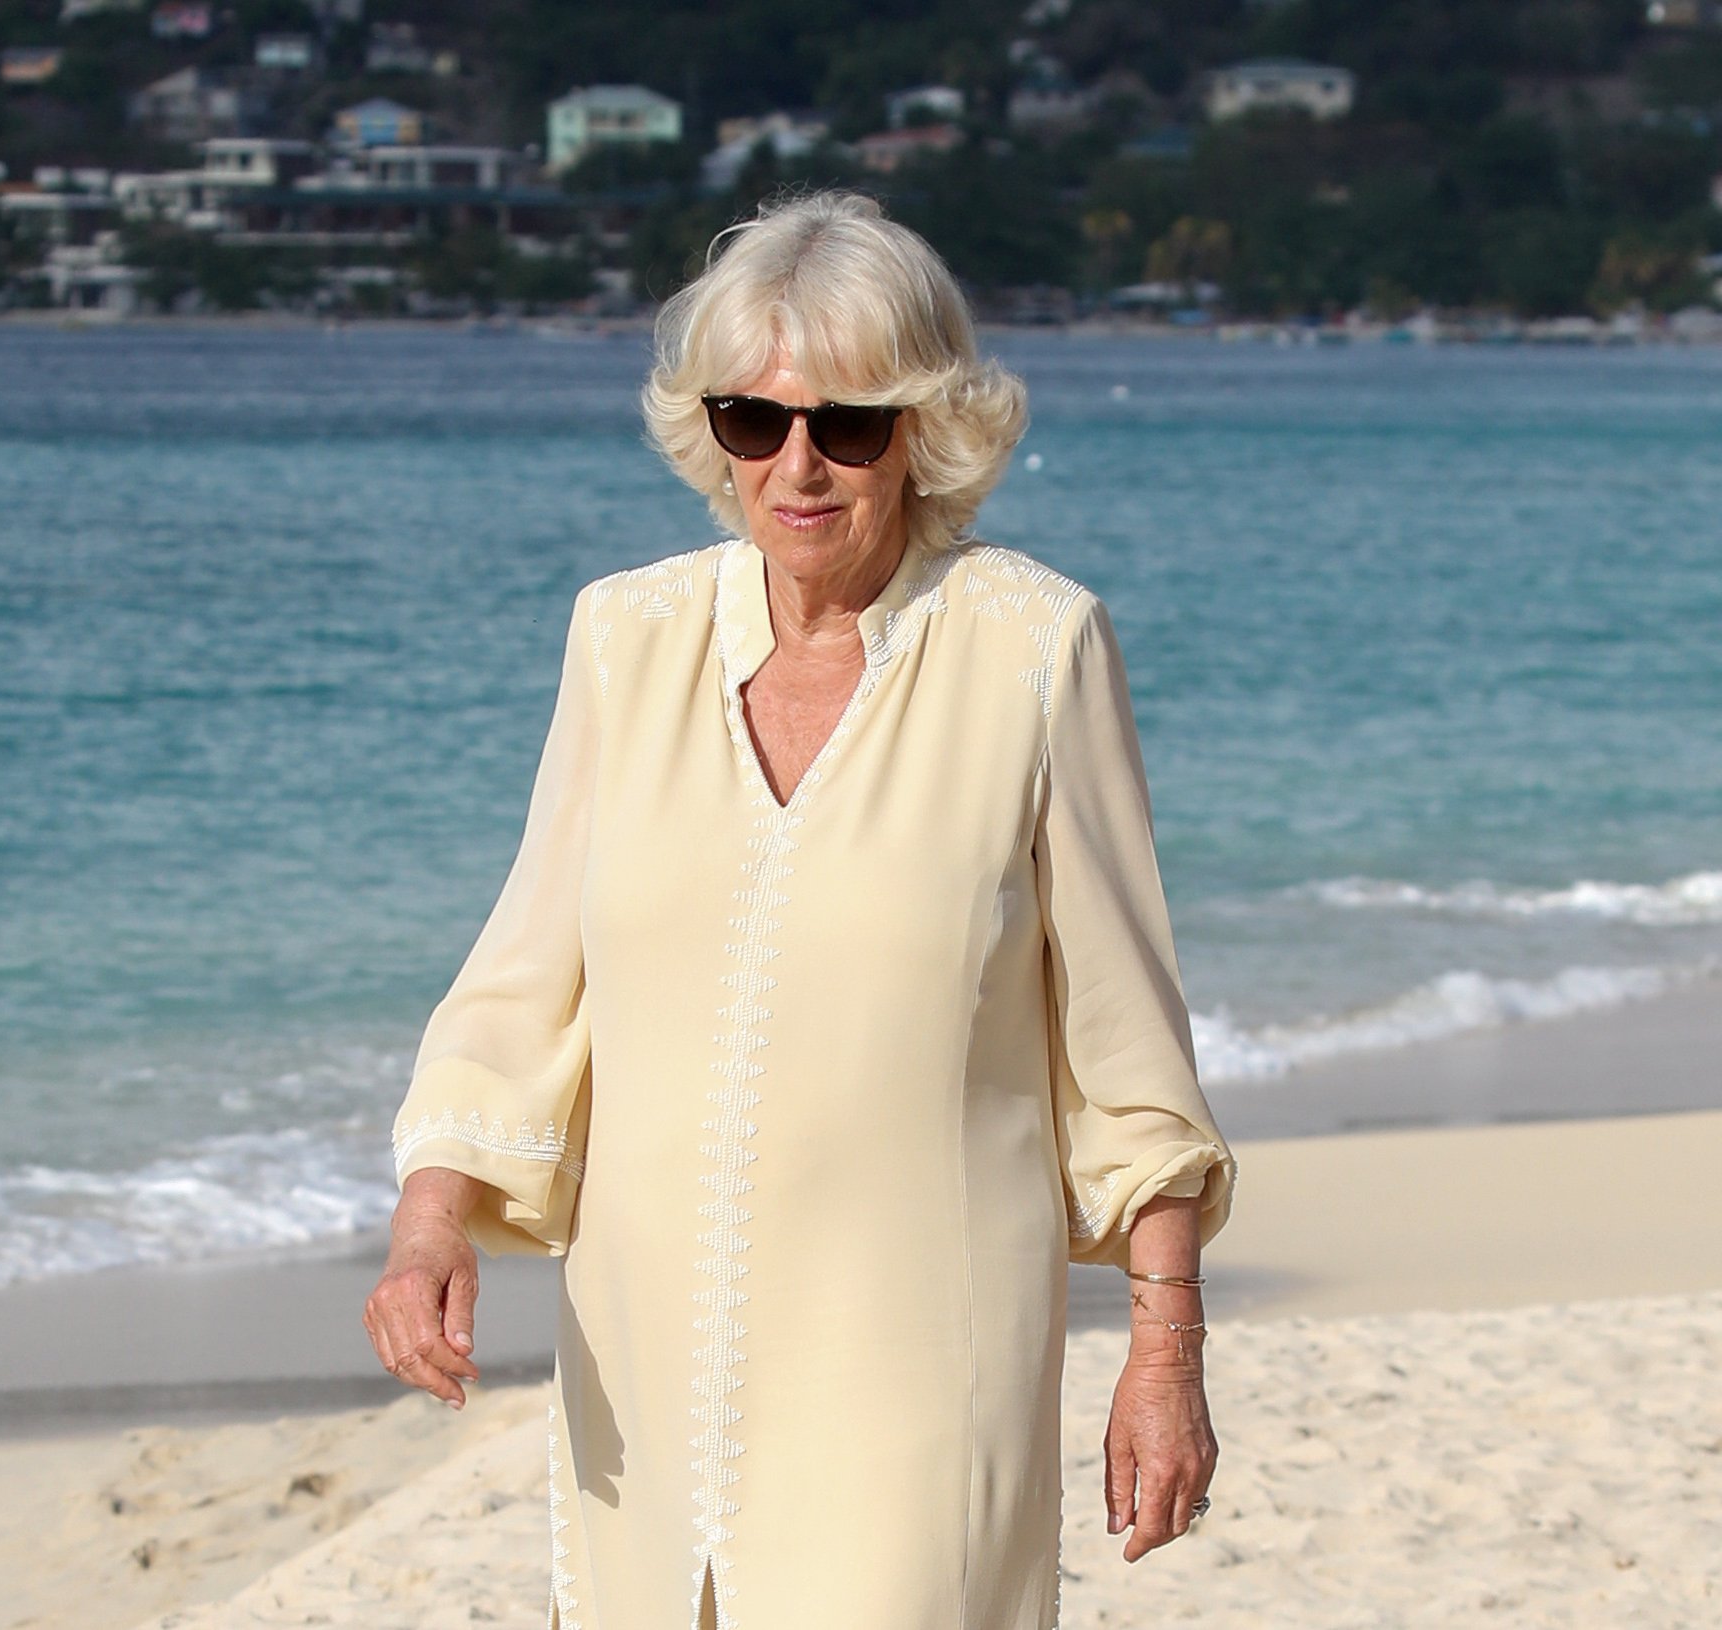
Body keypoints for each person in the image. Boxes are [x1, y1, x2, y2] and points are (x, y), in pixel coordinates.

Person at [361, 190, 1237, 1630]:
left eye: (851, 422)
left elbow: (1130, 1049)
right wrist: (428, 1221)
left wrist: (1165, 1348)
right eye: (755, 422)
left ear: (926, 427)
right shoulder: (624, 637)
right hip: (645, 1367)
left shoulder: (1034, 646)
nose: (801, 465)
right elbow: (524, 981)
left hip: (920, 1369)